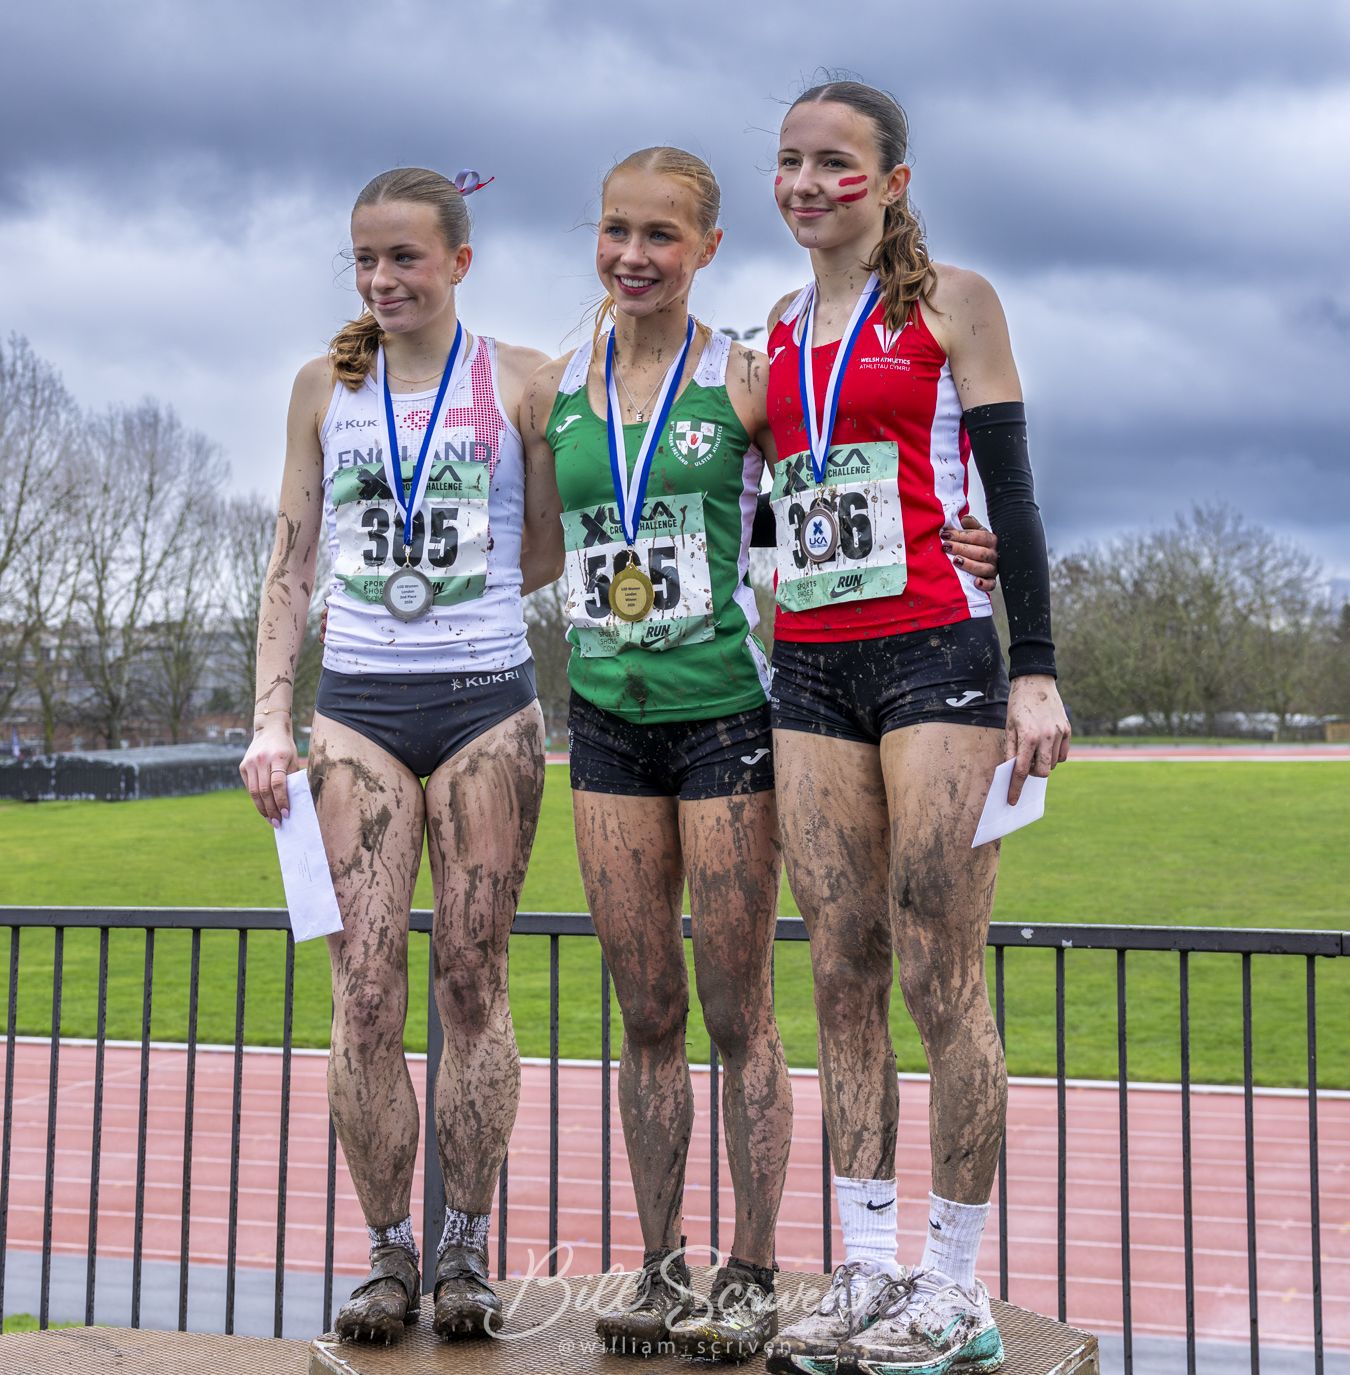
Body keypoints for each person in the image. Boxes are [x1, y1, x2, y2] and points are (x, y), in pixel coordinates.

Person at [519, 147, 1000, 1363]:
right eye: (615, 230)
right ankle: (663, 1262)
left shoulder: (746, 376)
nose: (634, 255)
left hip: (733, 714)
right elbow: (509, 534)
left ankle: (750, 1270)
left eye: (661, 236)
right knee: (643, 1009)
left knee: (741, 1007)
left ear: (706, 250)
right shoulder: (553, 387)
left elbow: (840, 482)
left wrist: (968, 539)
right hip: (607, 725)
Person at [758, 82, 1071, 1375]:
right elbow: (778, 501)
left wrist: (1034, 667)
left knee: (940, 970)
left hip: (935, 656)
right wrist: (764, 573)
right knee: (838, 972)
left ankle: (953, 1280)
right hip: (809, 674)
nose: (805, 183)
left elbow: (1010, 491)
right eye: (786, 161)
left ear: (889, 180)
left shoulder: (954, 300)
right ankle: (862, 1267)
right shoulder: (768, 332)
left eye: (835, 162)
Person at [240, 166, 561, 1345]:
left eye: (406, 259)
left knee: (473, 983)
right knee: (365, 996)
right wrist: (274, 718)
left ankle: (466, 1249)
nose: (382, 280)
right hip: (356, 714)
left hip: (486, 706)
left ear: (459, 262)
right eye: (364, 261)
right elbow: (289, 562)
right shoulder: (324, 387)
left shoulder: (524, 382)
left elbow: (541, 551)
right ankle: (388, 1256)